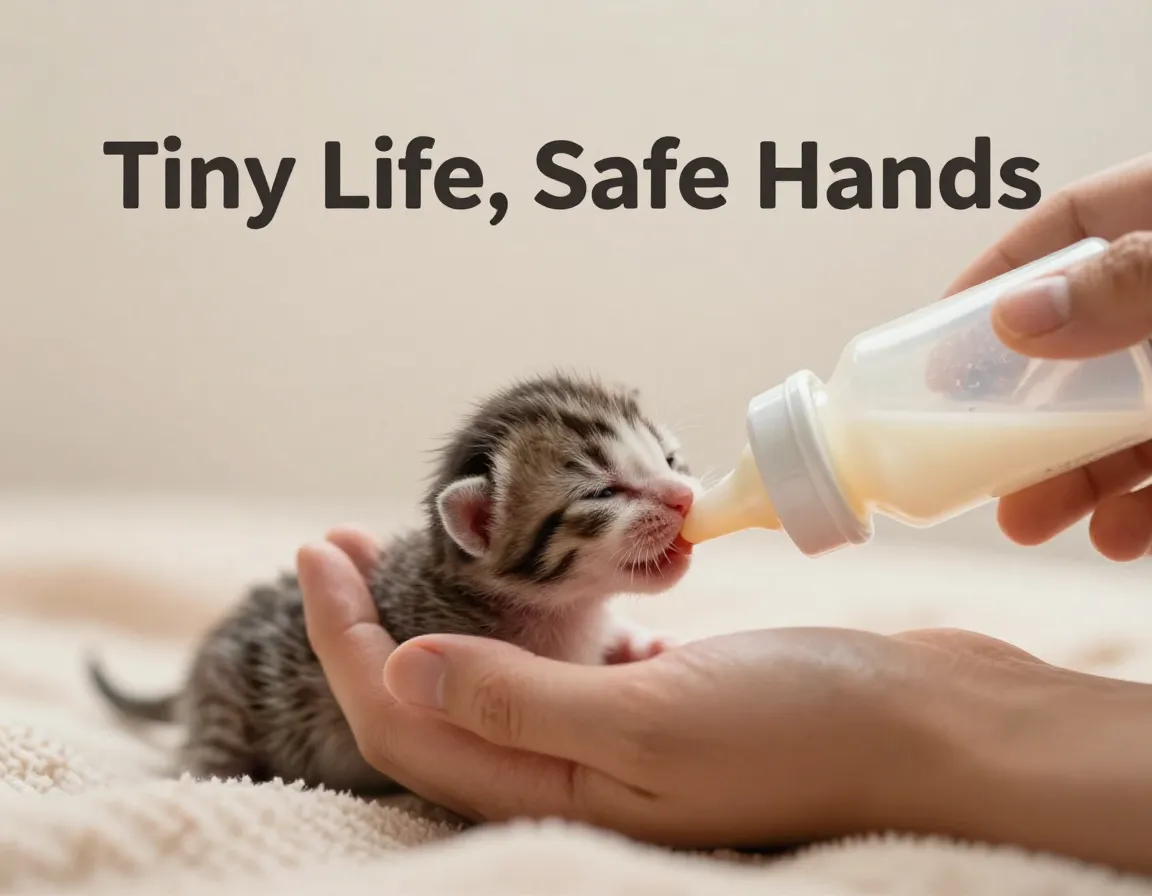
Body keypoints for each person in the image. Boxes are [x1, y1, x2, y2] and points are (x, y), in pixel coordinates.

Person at [295, 152, 1152, 875]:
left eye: (669, 462)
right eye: (602, 494)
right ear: (481, 529)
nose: (679, 496)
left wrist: (902, 730)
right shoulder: (463, 606)